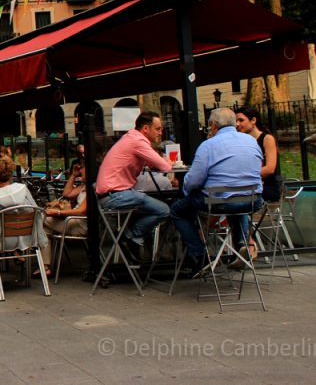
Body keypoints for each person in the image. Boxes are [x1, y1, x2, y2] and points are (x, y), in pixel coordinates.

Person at [171, 108, 264, 274]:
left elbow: (193, 181)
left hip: (219, 200)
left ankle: (200, 255)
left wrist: (185, 190)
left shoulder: (208, 145)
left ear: (213, 125)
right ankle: (242, 245)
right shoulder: (251, 141)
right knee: (238, 200)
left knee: (178, 210)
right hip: (252, 199)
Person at [94, 111, 173, 258]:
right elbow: (165, 167)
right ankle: (131, 237)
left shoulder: (130, 139)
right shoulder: (138, 141)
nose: (161, 132)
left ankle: (141, 245)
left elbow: (152, 163)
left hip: (111, 194)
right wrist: (166, 162)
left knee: (149, 207)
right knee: (164, 209)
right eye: (157, 128)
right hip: (116, 195)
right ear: (145, 129)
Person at [0, 156, 46, 278]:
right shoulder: (23, 190)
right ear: (9, 176)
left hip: (2, 242)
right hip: (28, 238)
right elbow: (35, 211)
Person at [40, 160, 89, 277]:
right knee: (43, 229)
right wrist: (73, 175)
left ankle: (24, 250)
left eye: (82, 168)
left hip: (80, 224)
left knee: (40, 220)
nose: (81, 171)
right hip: (72, 221)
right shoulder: (84, 186)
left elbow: (81, 211)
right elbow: (67, 194)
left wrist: (57, 212)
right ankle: (45, 266)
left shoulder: (94, 187)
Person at [236, 106, 282, 203]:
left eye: (241, 120)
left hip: (267, 186)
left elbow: (270, 168)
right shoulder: (240, 141)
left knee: (234, 197)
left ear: (253, 120)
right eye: (236, 121)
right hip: (248, 185)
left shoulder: (267, 139)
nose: (237, 124)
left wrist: (245, 177)